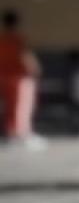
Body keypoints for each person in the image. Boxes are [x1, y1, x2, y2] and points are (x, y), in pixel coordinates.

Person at [0, 9, 45, 148]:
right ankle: (22, 133)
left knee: (10, 106)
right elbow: (26, 57)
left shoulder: (2, 39)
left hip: (4, 77)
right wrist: (36, 70)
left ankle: (12, 132)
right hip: (20, 77)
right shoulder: (18, 39)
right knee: (23, 106)